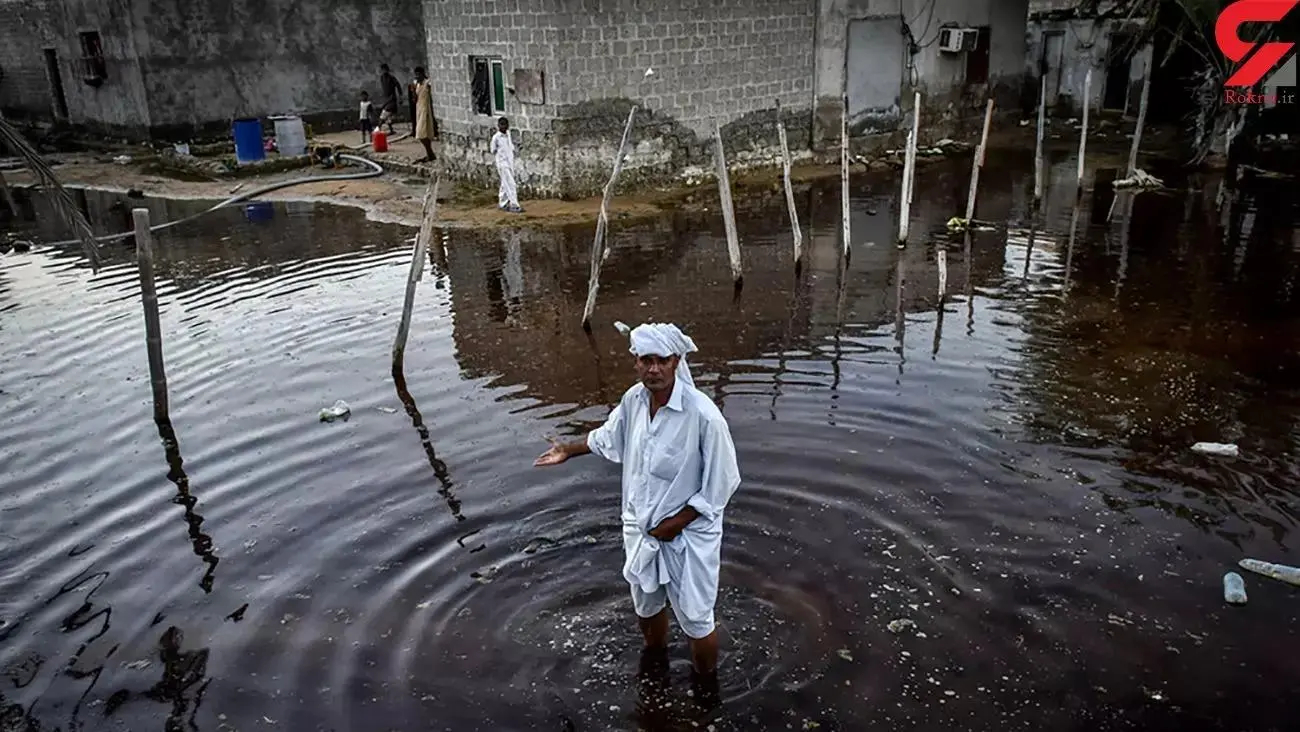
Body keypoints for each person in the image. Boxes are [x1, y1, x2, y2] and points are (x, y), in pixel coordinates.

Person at [534, 323, 742, 680]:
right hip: (642, 528)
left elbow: (722, 484)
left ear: (676, 361)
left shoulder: (704, 416)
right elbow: (609, 437)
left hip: (689, 538)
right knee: (646, 602)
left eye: (662, 360)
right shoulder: (634, 400)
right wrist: (568, 450)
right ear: (636, 362)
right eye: (646, 360)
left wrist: (676, 523)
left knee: (696, 618)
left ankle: (706, 689)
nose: (654, 369)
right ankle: (655, 659)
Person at [490, 117, 522, 213]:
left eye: (505, 125)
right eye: (501, 125)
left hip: (510, 162)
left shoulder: (508, 134)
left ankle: (502, 203)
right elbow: (492, 150)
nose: (503, 127)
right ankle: (514, 204)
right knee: (511, 184)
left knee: (505, 184)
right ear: (498, 125)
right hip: (502, 163)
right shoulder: (496, 138)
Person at [412, 67, 437, 163]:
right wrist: (414, 91)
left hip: (426, 110)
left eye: (418, 74)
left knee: (421, 133)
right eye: (415, 75)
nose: (416, 76)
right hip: (419, 109)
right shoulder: (417, 85)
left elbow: (432, 96)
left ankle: (430, 153)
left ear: (422, 74)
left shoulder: (428, 83)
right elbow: (415, 99)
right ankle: (429, 154)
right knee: (423, 133)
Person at [378, 64, 401, 134]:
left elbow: (398, 86)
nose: (384, 71)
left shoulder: (391, 78)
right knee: (388, 117)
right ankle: (391, 130)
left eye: (385, 70)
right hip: (386, 100)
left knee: (382, 117)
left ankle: (377, 130)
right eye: (382, 70)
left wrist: (400, 97)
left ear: (387, 70)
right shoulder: (382, 78)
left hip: (391, 100)